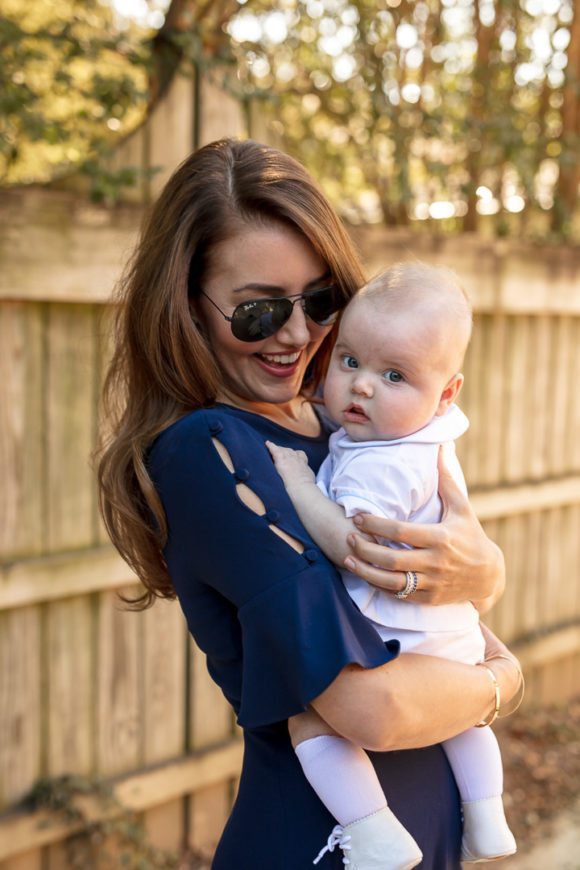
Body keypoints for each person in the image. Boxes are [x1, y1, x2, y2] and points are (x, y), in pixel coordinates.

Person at [96, 138, 522, 870]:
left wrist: (486, 575)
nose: (298, 334)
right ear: (187, 307)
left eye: (321, 300)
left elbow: (455, 593)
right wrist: (504, 681)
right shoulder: (213, 451)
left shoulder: (346, 429)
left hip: (428, 832)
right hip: (314, 845)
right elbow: (373, 710)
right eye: (258, 311)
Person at [267, 262, 519, 869]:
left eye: (394, 375)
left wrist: (299, 484)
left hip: (393, 634)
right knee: (467, 726)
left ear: (447, 391)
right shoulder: (428, 434)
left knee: (309, 722)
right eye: (350, 361)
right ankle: (487, 817)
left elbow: (352, 543)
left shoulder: (379, 465)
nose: (362, 388)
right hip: (453, 635)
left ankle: (373, 830)